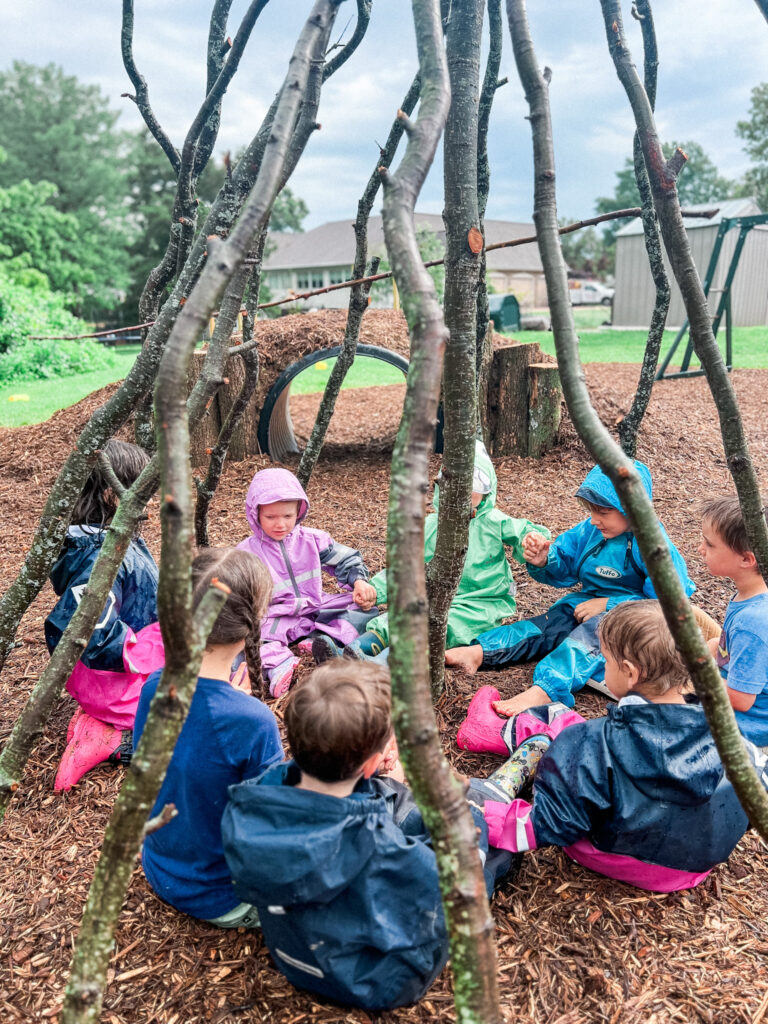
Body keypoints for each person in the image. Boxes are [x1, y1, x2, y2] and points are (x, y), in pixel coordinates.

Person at [221, 660, 512, 1011]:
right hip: (379, 982)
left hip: (293, 958)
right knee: (482, 838)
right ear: (373, 763)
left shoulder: (250, 801)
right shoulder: (379, 845)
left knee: (398, 809)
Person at [471, 601, 750, 893]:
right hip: (687, 871)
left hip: (604, 854)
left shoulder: (590, 743)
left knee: (559, 719)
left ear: (630, 672)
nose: (604, 667)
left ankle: (495, 731)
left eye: (605, 660)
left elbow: (550, 823)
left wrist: (484, 815)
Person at [447, 461, 695, 719]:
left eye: (602, 512)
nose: (594, 519)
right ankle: (480, 652)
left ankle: (544, 690)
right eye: (591, 510)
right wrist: (545, 559)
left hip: (633, 622)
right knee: (545, 624)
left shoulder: (654, 546)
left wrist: (609, 605)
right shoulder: (591, 529)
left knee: (586, 639)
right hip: (585, 603)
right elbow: (564, 561)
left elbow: (665, 604)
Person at [134, 548, 283, 928]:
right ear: (250, 623)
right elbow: (270, 823)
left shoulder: (154, 686)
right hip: (220, 896)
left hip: (158, 867)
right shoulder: (253, 722)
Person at [327, 440, 549, 664]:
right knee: (400, 618)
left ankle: (381, 664)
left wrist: (531, 541)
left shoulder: (493, 521)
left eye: (471, 486)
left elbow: (521, 531)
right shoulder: (431, 526)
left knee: (440, 626)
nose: (462, 492)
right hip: (437, 597)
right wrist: (376, 590)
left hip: (483, 603)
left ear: (486, 490)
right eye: (456, 485)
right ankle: (351, 652)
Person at [45, 439, 163, 791]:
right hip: (115, 676)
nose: (151, 500)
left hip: (116, 668)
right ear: (115, 497)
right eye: (144, 490)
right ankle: (112, 740)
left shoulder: (108, 537)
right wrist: (140, 654)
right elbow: (89, 627)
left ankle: (103, 721)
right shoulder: (100, 556)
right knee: (188, 722)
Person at [237, 467, 377, 696]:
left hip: (314, 609)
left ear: (299, 512)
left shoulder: (311, 539)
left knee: (361, 608)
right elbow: (234, 592)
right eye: (270, 517)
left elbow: (345, 559)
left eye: (287, 516)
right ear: (255, 514)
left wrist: (359, 581)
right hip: (275, 617)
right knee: (248, 637)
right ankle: (279, 666)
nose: (280, 524)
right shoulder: (247, 553)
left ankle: (318, 642)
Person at [700, 496, 768, 747]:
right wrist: (715, 648)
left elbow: (740, 699)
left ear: (746, 559)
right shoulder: (750, 595)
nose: (700, 549)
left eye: (709, 544)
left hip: (747, 729)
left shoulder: (753, 622)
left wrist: (699, 672)